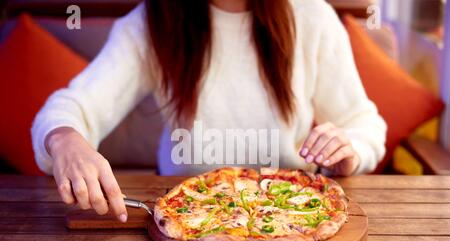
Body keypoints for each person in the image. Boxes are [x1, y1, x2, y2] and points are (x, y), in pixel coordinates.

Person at [31, 0, 387, 223]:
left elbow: (364, 125)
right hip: (186, 210)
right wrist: (66, 142)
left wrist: (350, 151)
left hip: (291, 209)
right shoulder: (151, 21)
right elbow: (71, 106)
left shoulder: (312, 17)